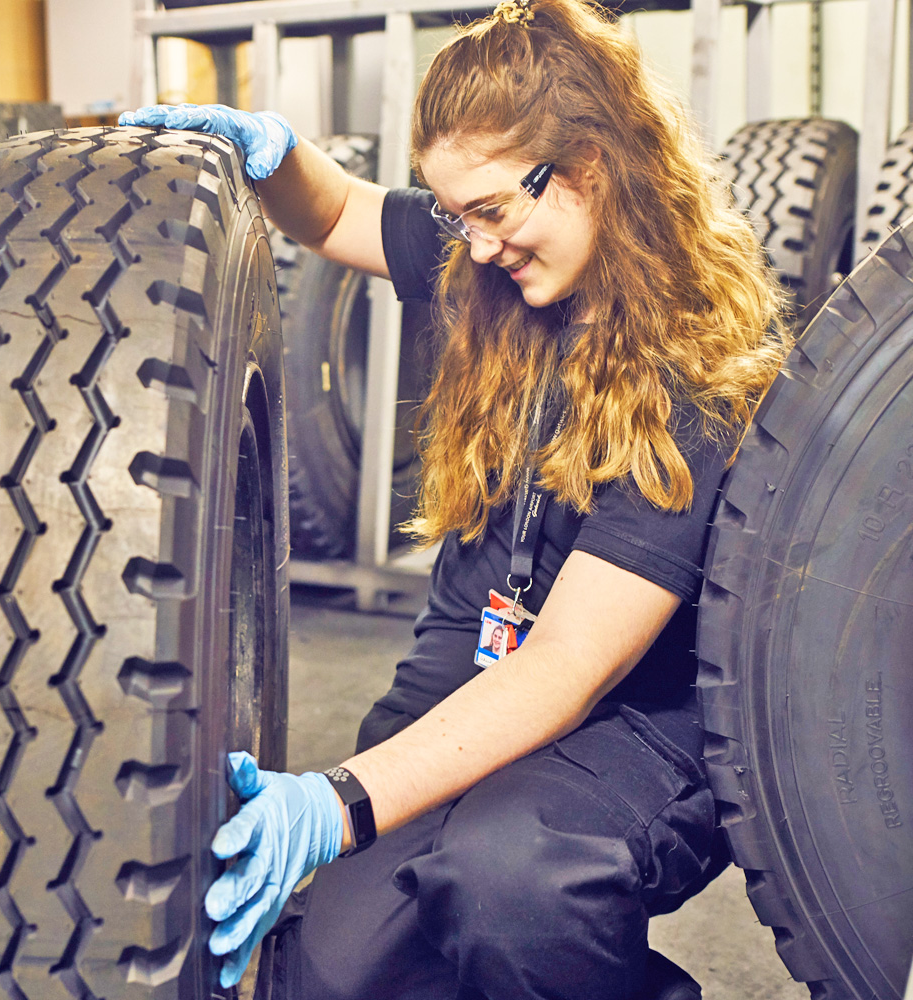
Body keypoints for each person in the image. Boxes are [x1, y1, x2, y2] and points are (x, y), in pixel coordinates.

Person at [121, 1, 789, 996]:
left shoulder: (692, 370)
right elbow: (341, 210)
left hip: (637, 721)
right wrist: (266, 155)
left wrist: (338, 803)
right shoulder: (490, 271)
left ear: (591, 165)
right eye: (454, 216)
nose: (473, 246)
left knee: (505, 885)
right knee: (325, 973)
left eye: (491, 211)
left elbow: (567, 666)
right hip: (471, 669)